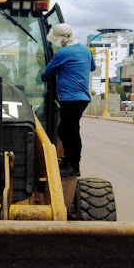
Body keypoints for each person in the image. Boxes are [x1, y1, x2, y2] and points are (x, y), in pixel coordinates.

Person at [44, 23, 96, 177]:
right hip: (82, 98)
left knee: (70, 131)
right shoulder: (86, 50)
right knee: (66, 130)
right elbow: (92, 67)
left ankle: (73, 165)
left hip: (70, 98)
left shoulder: (62, 53)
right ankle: (69, 162)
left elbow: (48, 72)